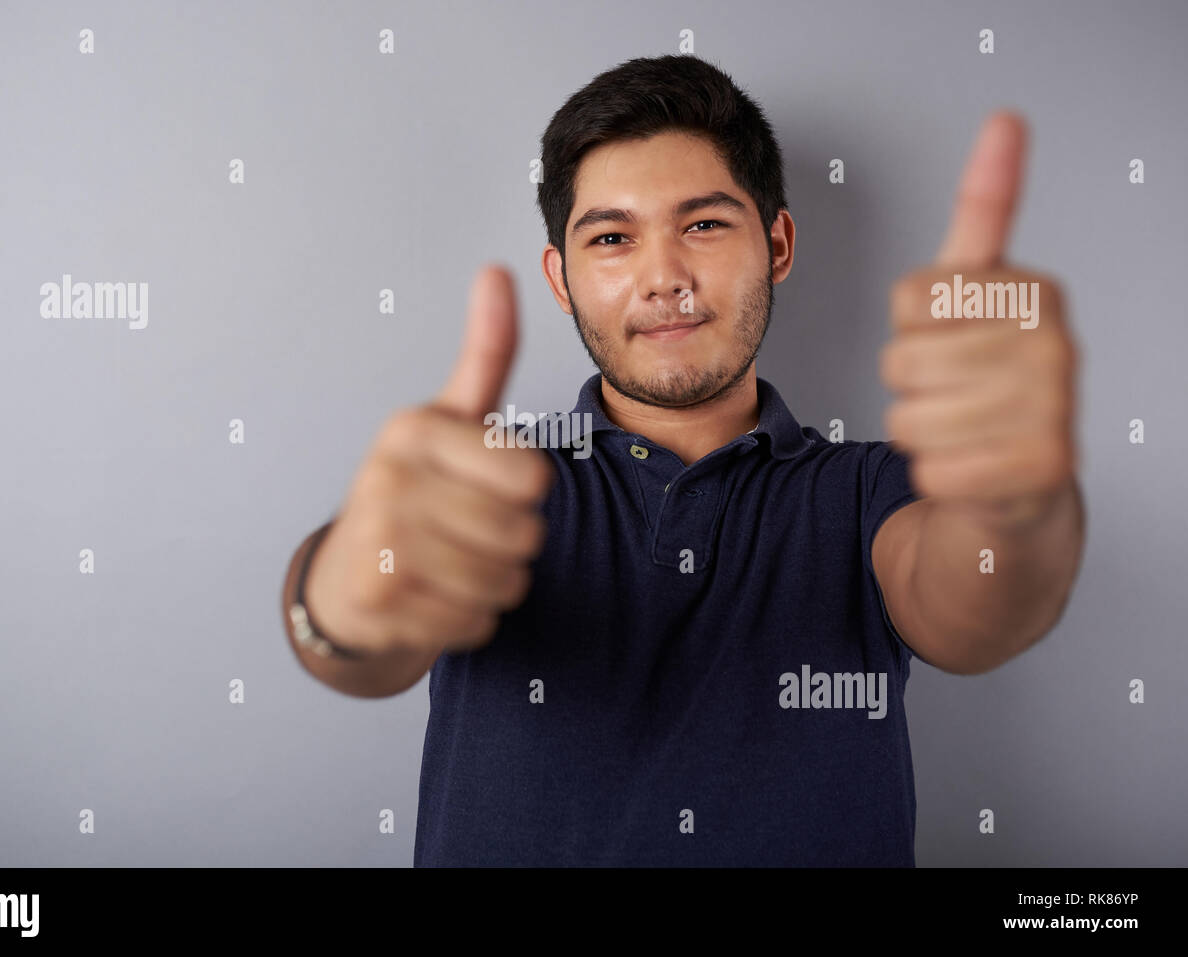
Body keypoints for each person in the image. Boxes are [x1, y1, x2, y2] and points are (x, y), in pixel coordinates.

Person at [280, 55, 1085, 866]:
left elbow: (976, 604)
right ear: (561, 278)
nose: (663, 277)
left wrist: (1010, 505)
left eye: (702, 224)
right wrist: (341, 600)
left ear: (777, 244)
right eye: (612, 237)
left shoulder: (875, 488)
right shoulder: (482, 487)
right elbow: (355, 641)